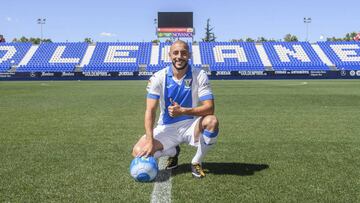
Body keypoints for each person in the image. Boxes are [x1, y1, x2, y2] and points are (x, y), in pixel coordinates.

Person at [132, 40, 219, 178]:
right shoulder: (158, 77)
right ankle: (173, 151)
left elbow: (210, 108)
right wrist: (150, 141)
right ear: (170, 55)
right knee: (138, 152)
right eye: (175, 53)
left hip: (191, 125)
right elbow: (150, 110)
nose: (179, 56)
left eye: (183, 53)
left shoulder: (199, 74)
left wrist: (183, 111)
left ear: (189, 55)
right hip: (167, 127)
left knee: (212, 121)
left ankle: (196, 161)